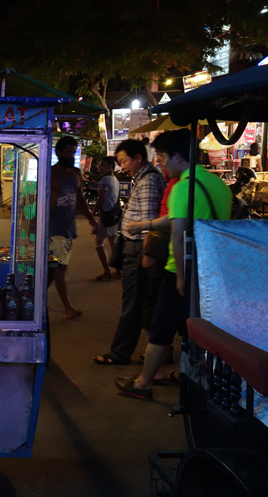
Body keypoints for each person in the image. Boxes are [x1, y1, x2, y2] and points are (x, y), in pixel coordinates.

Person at [115, 129, 231, 399]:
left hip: (181, 269)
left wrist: (180, 276)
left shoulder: (183, 187)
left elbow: (178, 234)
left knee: (161, 328)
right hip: (212, 268)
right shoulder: (215, 184)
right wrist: (146, 224)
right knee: (202, 329)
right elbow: (181, 219)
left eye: (164, 156)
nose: (161, 162)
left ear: (179, 156)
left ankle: (143, 384)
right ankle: (199, 377)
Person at [93, 139, 165, 364]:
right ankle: (160, 350)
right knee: (145, 302)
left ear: (138, 158)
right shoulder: (143, 179)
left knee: (133, 302)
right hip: (134, 246)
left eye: (124, 161)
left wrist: (146, 254)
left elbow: (148, 222)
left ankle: (120, 353)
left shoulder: (149, 182)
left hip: (138, 249)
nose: (121, 166)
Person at [49, 136, 98, 319]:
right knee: (60, 268)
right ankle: (68, 308)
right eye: (68, 152)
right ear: (59, 152)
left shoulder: (77, 174)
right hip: (53, 229)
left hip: (68, 229)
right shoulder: (51, 173)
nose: (71, 155)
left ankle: (33, 300)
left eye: (73, 152)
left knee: (53, 269)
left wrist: (91, 220)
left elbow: (80, 201)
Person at [91, 156, 121, 281]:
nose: (100, 168)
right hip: (114, 216)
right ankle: (118, 271)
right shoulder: (115, 180)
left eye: (103, 165)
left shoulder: (105, 180)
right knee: (113, 243)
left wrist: (92, 213)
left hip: (106, 216)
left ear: (111, 167)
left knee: (99, 243)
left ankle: (107, 272)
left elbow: (101, 198)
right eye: (99, 166)